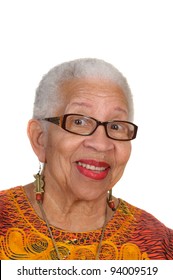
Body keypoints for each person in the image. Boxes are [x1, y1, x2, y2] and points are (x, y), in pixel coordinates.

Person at [0, 58, 172, 260]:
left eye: (116, 126)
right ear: (40, 139)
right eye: (79, 121)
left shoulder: (160, 245)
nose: (101, 144)